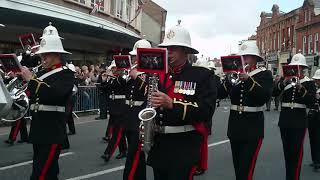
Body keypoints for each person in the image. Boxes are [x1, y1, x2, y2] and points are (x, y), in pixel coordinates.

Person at [145, 21, 217, 180]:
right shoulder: (156, 75)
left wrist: (172, 104)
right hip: (159, 145)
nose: (168, 52)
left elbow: (206, 111)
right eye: (166, 48)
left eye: (173, 48)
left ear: (185, 51)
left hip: (183, 147)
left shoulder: (202, 75)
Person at [20, 23, 75, 180]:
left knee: (39, 174)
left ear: (57, 54)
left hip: (52, 131)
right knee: (49, 172)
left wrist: (31, 80)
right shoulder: (41, 72)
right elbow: (34, 95)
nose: (42, 58)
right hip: (39, 129)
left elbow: (54, 94)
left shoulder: (66, 74)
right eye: (42, 55)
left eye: (46, 55)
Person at [218, 41, 273, 180]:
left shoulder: (264, 74)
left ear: (255, 58)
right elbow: (220, 94)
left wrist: (248, 80)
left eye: (248, 56)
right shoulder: (234, 75)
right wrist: (228, 81)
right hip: (235, 126)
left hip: (252, 128)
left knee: (246, 170)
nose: (244, 59)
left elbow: (264, 97)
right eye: (242, 56)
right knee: (238, 168)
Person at [275, 53, 316, 180]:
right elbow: (273, 92)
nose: (297, 69)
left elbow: (311, 101)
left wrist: (301, 88)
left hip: (299, 120)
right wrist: (283, 82)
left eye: (299, 67)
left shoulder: (308, 83)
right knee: (287, 153)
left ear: (303, 68)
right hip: (285, 120)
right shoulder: (286, 81)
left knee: (296, 153)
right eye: (294, 67)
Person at [122, 39, 151, 180]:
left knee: (134, 155)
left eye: (137, 56)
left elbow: (150, 90)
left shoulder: (151, 72)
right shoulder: (132, 71)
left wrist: (137, 76)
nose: (134, 59)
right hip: (129, 115)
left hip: (140, 118)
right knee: (135, 155)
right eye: (133, 56)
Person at [100, 61, 128, 162]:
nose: (112, 70)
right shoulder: (111, 80)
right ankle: (123, 151)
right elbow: (103, 90)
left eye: (115, 68)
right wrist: (104, 80)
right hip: (113, 107)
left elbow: (123, 83)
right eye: (112, 69)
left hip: (121, 107)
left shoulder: (122, 78)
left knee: (117, 132)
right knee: (120, 131)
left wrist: (116, 76)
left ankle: (108, 153)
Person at [308, 69, 320, 172]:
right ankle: (314, 159)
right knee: (312, 139)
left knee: (318, 140)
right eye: (316, 80)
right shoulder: (314, 89)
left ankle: (318, 161)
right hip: (312, 116)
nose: (316, 82)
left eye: (318, 80)